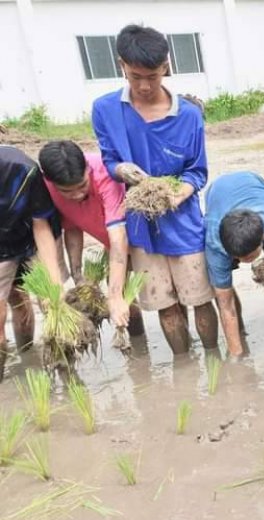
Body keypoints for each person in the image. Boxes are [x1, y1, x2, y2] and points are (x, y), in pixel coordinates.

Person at [92, 24, 218, 355]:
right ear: (122, 65)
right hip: (139, 224)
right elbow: (108, 159)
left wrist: (181, 192)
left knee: (201, 298)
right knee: (165, 304)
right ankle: (184, 367)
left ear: (166, 65)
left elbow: (197, 170)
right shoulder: (105, 110)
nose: (145, 85)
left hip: (183, 221)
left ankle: (216, 363)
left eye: (153, 75)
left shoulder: (188, 115)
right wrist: (120, 169)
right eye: (135, 76)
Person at [38, 140, 143, 335]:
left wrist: (114, 296)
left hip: (140, 240)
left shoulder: (104, 171)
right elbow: (72, 228)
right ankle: (137, 343)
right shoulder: (45, 185)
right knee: (128, 303)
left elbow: (118, 237)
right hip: (111, 244)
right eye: (67, 191)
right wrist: (78, 276)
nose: (77, 195)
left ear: (88, 168)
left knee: (147, 299)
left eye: (82, 186)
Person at [204, 171, 264, 358]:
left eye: (249, 256)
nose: (242, 262)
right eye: (238, 258)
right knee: (223, 291)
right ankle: (241, 336)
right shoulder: (215, 243)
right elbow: (225, 304)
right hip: (217, 194)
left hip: (252, 182)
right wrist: (236, 357)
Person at [0, 147, 66, 379]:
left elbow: (41, 227)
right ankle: (24, 363)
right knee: (14, 302)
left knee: (51, 303)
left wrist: (54, 280)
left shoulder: (22, 169)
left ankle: (64, 368)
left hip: (34, 234)